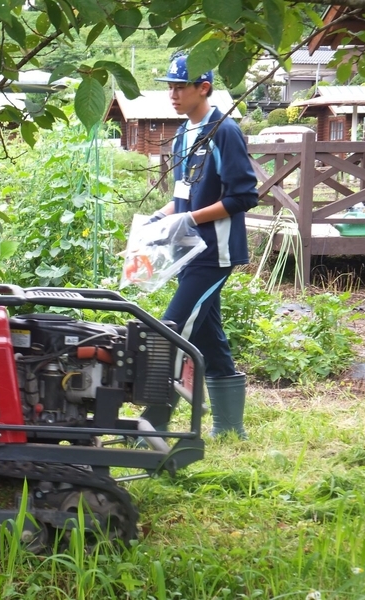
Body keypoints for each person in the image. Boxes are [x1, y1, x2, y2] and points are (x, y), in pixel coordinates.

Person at [144, 54, 259, 438]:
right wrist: (159, 218)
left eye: (180, 87)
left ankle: (152, 426)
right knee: (208, 334)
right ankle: (230, 428)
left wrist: (189, 219)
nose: (172, 94)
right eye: (170, 87)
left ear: (203, 88)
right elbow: (183, 196)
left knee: (172, 331)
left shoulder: (224, 131)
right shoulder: (182, 134)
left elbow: (243, 196)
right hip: (186, 252)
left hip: (213, 254)